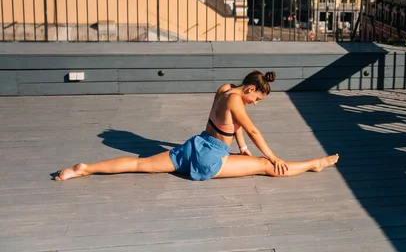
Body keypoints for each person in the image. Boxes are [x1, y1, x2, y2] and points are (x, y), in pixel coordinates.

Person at [54, 70, 339, 181]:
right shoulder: (238, 101)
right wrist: (272, 156)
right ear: (251, 88)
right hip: (211, 156)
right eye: (257, 99)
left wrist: (242, 149)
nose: (255, 104)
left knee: (140, 164)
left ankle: (84, 168)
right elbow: (253, 130)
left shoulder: (225, 89)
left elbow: (233, 126)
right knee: (267, 167)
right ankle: (314, 163)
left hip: (194, 145)